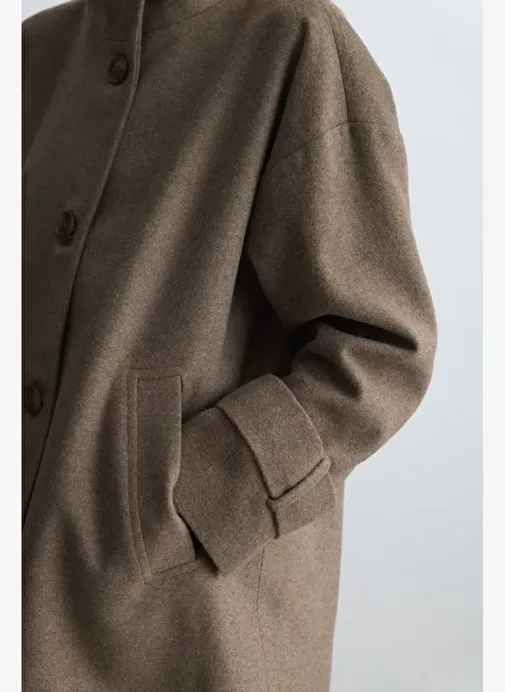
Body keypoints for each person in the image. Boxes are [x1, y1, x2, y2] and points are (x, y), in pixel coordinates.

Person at [22, 0, 437, 690]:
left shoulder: (293, 37)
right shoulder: (34, 50)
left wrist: (192, 498)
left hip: (191, 626)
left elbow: (381, 346)